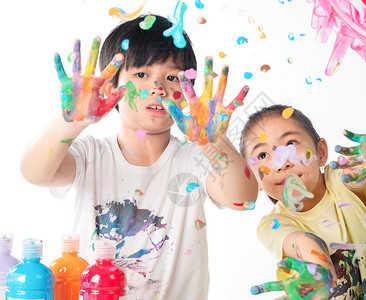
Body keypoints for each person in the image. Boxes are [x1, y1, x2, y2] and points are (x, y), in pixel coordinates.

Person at [20, 14, 258, 299]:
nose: (158, 88)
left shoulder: (195, 159)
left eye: (172, 77)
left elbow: (244, 199)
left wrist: (213, 140)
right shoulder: (91, 154)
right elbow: (34, 173)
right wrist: (73, 121)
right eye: (142, 74)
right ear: (111, 86)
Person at [239, 104, 366, 299]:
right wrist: (320, 270)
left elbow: (355, 175)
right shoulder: (272, 225)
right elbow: (302, 243)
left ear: (321, 152)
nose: (281, 162)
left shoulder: (339, 184)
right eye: (263, 155)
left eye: (291, 144)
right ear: (253, 180)